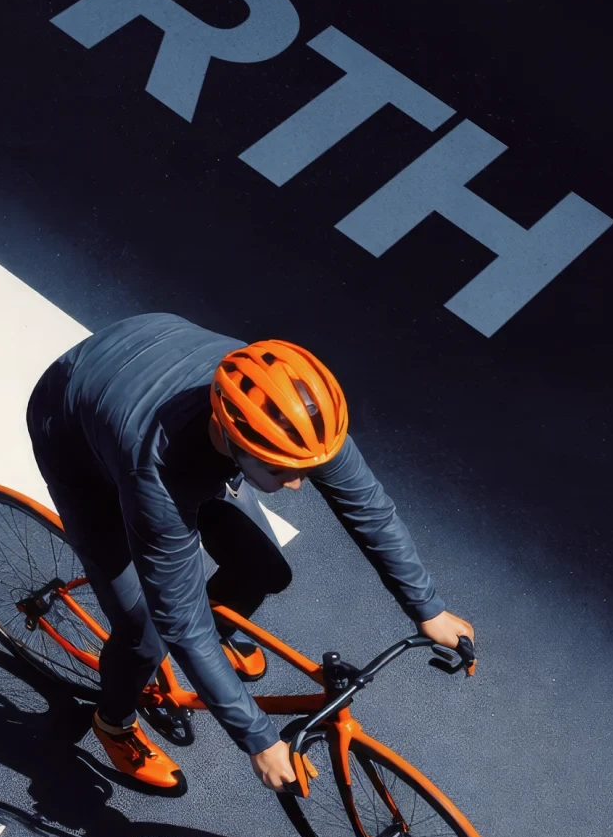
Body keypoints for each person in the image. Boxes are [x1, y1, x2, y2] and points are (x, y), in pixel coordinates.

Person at [26, 314, 475, 797]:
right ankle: (111, 721)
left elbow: (370, 509)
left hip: (153, 353)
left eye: (306, 468)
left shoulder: (296, 417)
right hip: (72, 422)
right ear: (232, 439)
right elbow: (180, 618)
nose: (300, 483)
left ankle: (213, 651)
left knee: (263, 569)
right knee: (144, 629)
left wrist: (426, 608)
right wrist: (257, 739)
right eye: (283, 472)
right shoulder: (157, 473)